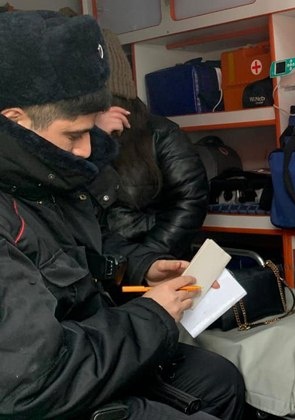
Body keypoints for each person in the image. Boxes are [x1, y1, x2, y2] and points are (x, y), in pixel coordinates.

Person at [0, 11, 245, 419]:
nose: (85, 149)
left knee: (219, 380)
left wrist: (142, 267)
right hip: (51, 390)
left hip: (93, 346)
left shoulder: (45, 180)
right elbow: (33, 382)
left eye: (90, 131)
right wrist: (152, 315)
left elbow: (85, 248)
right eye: (73, 135)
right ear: (15, 121)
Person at [95, 29, 210, 291]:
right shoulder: (78, 140)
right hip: (97, 267)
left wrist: (148, 258)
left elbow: (191, 200)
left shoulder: (161, 133)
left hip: (154, 266)